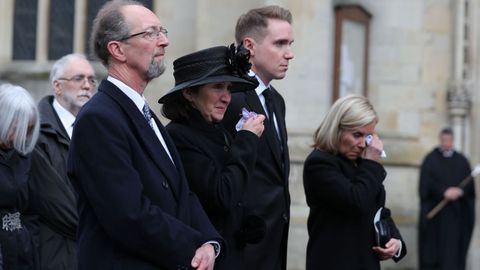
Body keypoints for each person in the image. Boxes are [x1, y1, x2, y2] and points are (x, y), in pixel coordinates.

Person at [67, 1, 222, 269]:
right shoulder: (99, 119)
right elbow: (128, 214)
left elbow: (182, 193)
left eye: (163, 32)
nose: (163, 42)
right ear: (117, 49)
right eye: (150, 34)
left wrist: (210, 242)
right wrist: (193, 246)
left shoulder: (146, 115)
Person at [160, 45, 265, 269]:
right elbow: (221, 196)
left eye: (228, 88)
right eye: (218, 87)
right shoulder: (180, 136)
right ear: (189, 93)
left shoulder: (218, 131)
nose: (226, 97)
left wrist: (247, 220)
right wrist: (246, 140)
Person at [222, 6, 294, 269]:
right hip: (241, 245)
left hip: (274, 242)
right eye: (280, 43)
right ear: (249, 45)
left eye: (290, 43)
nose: (290, 53)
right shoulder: (228, 97)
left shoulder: (277, 100)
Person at [303, 95, 407, 269]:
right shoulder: (320, 163)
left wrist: (395, 242)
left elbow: (378, 210)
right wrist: (372, 163)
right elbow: (356, 201)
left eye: (368, 137)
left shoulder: (361, 163)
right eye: (357, 135)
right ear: (337, 129)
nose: (362, 144)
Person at [28, 53, 96, 270]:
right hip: (56, 254)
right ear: (57, 86)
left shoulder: (99, 131)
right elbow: (59, 205)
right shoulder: (37, 134)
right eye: (79, 78)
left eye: (91, 79)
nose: (87, 85)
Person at [418, 127, 475, 270]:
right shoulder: (430, 159)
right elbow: (425, 185)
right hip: (435, 220)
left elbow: (470, 188)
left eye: (449, 140)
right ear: (440, 140)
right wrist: (443, 192)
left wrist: (459, 191)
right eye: (444, 140)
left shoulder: (462, 161)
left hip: (455, 220)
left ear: (453, 141)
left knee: (452, 257)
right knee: (433, 255)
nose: (446, 143)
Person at [0, 83, 40, 270]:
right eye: (17, 128)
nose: (22, 136)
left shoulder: (23, 155)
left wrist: (30, 241)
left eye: (28, 129)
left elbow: (30, 209)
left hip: (20, 251)